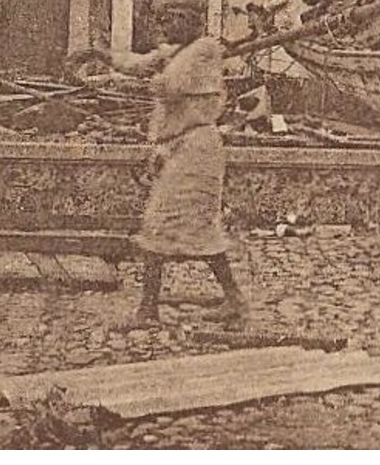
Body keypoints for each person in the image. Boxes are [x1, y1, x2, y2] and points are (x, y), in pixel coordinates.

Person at [72, 38, 249, 324]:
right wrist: (100, 55)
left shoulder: (203, 51)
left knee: (174, 226)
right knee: (180, 228)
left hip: (196, 151)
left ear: (193, 20)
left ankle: (150, 309)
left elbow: (168, 86)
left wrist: (116, 81)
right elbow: (141, 64)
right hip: (179, 147)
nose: (170, 27)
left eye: (178, 19)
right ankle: (227, 299)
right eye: (166, 20)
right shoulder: (176, 51)